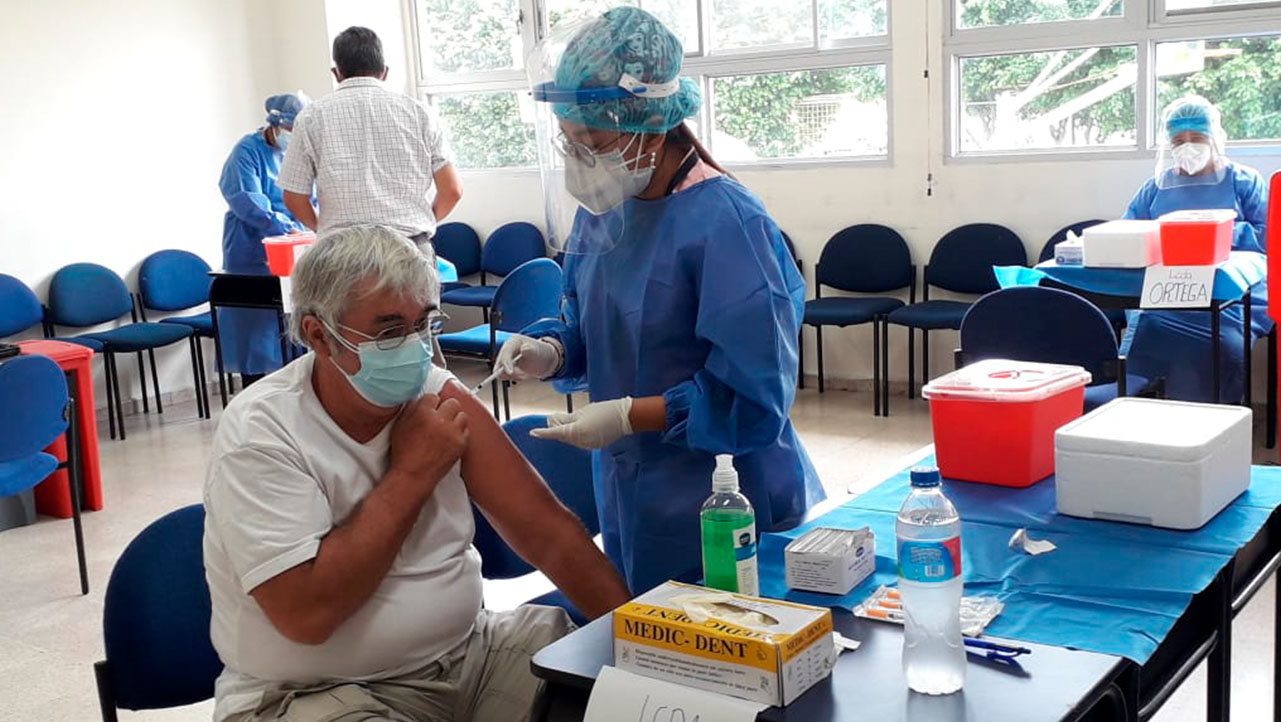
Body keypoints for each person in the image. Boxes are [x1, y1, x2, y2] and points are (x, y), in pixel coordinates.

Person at [203, 226, 630, 722]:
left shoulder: (437, 394)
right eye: (388, 331)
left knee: (610, 699)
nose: (413, 347)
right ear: (319, 334)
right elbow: (307, 614)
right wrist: (412, 471)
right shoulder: (263, 431)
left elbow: (548, 532)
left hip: (468, 656)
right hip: (313, 693)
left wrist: (642, 649)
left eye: (423, 324)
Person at [494, 7, 825, 595]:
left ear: (647, 124)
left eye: (592, 141)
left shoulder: (728, 224)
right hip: (628, 485)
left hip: (726, 490)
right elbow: (592, 320)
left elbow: (752, 396)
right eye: (570, 141)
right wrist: (550, 349)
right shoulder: (605, 210)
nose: (581, 159)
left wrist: (627, 414)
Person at [1122, 95, 1270, 403]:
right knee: (1143, 333)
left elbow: (1268, 237)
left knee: (1225, 345)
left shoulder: (1244, 182)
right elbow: (1129, 233)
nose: (1188, 146)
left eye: (1197, 138)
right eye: (1178, 140)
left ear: (1216, 139)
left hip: (1233, 293)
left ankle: (1218, 421)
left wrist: (1214, 234)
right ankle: (1145, 414)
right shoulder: (1156, 187)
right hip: (1168, 292)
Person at [279, 26, 462, 251]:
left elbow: (294, 197)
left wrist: (324, 229)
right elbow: (452, 190)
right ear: (384, 72)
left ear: (337, 73)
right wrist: (420, 224)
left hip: (343, 252)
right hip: (410, 249)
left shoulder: (310, 117)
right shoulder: (420, 113)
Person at [217, 93, 309, 387]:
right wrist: (284, 226)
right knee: (254, 332)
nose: (294, 139)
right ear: (276, 124)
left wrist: (307, 225)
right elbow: (246, 200)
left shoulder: (297, 154)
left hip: (293, 250)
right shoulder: (246, 151)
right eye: (292, 131)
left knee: (294, 327)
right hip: (250, 251)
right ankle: (253, 393)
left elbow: (311, 195)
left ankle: (296, 394)